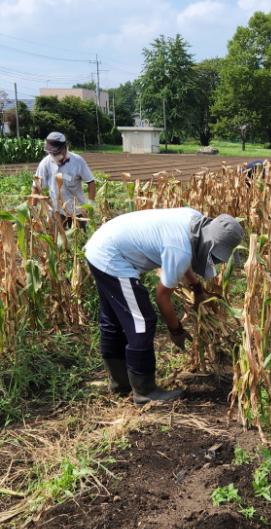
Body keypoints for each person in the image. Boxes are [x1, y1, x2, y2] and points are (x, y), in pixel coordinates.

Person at [84, 208, 244, 405]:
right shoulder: (181, 248)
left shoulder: (194, 221)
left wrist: (196, 287)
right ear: (210, 245)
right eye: (217, 257)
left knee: (113, 321)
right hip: (111, 257)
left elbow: (183, 258)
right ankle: (144, 391)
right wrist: (176, 329)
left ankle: (121, 384)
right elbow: (162, 296)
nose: (218, 262)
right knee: (142, 321)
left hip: (101, 246)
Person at [30, 131, 96, 229]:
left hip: (78, 211)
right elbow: (36, 186)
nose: (53, 155)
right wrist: (33, 209)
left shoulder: (78, 161)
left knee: (80, 240)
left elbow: (91, 182)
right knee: (60, 241)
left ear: (64, 147)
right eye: (51, 153)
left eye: (56, 152)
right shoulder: (45, 163)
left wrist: (90, 204)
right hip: (57, 212)